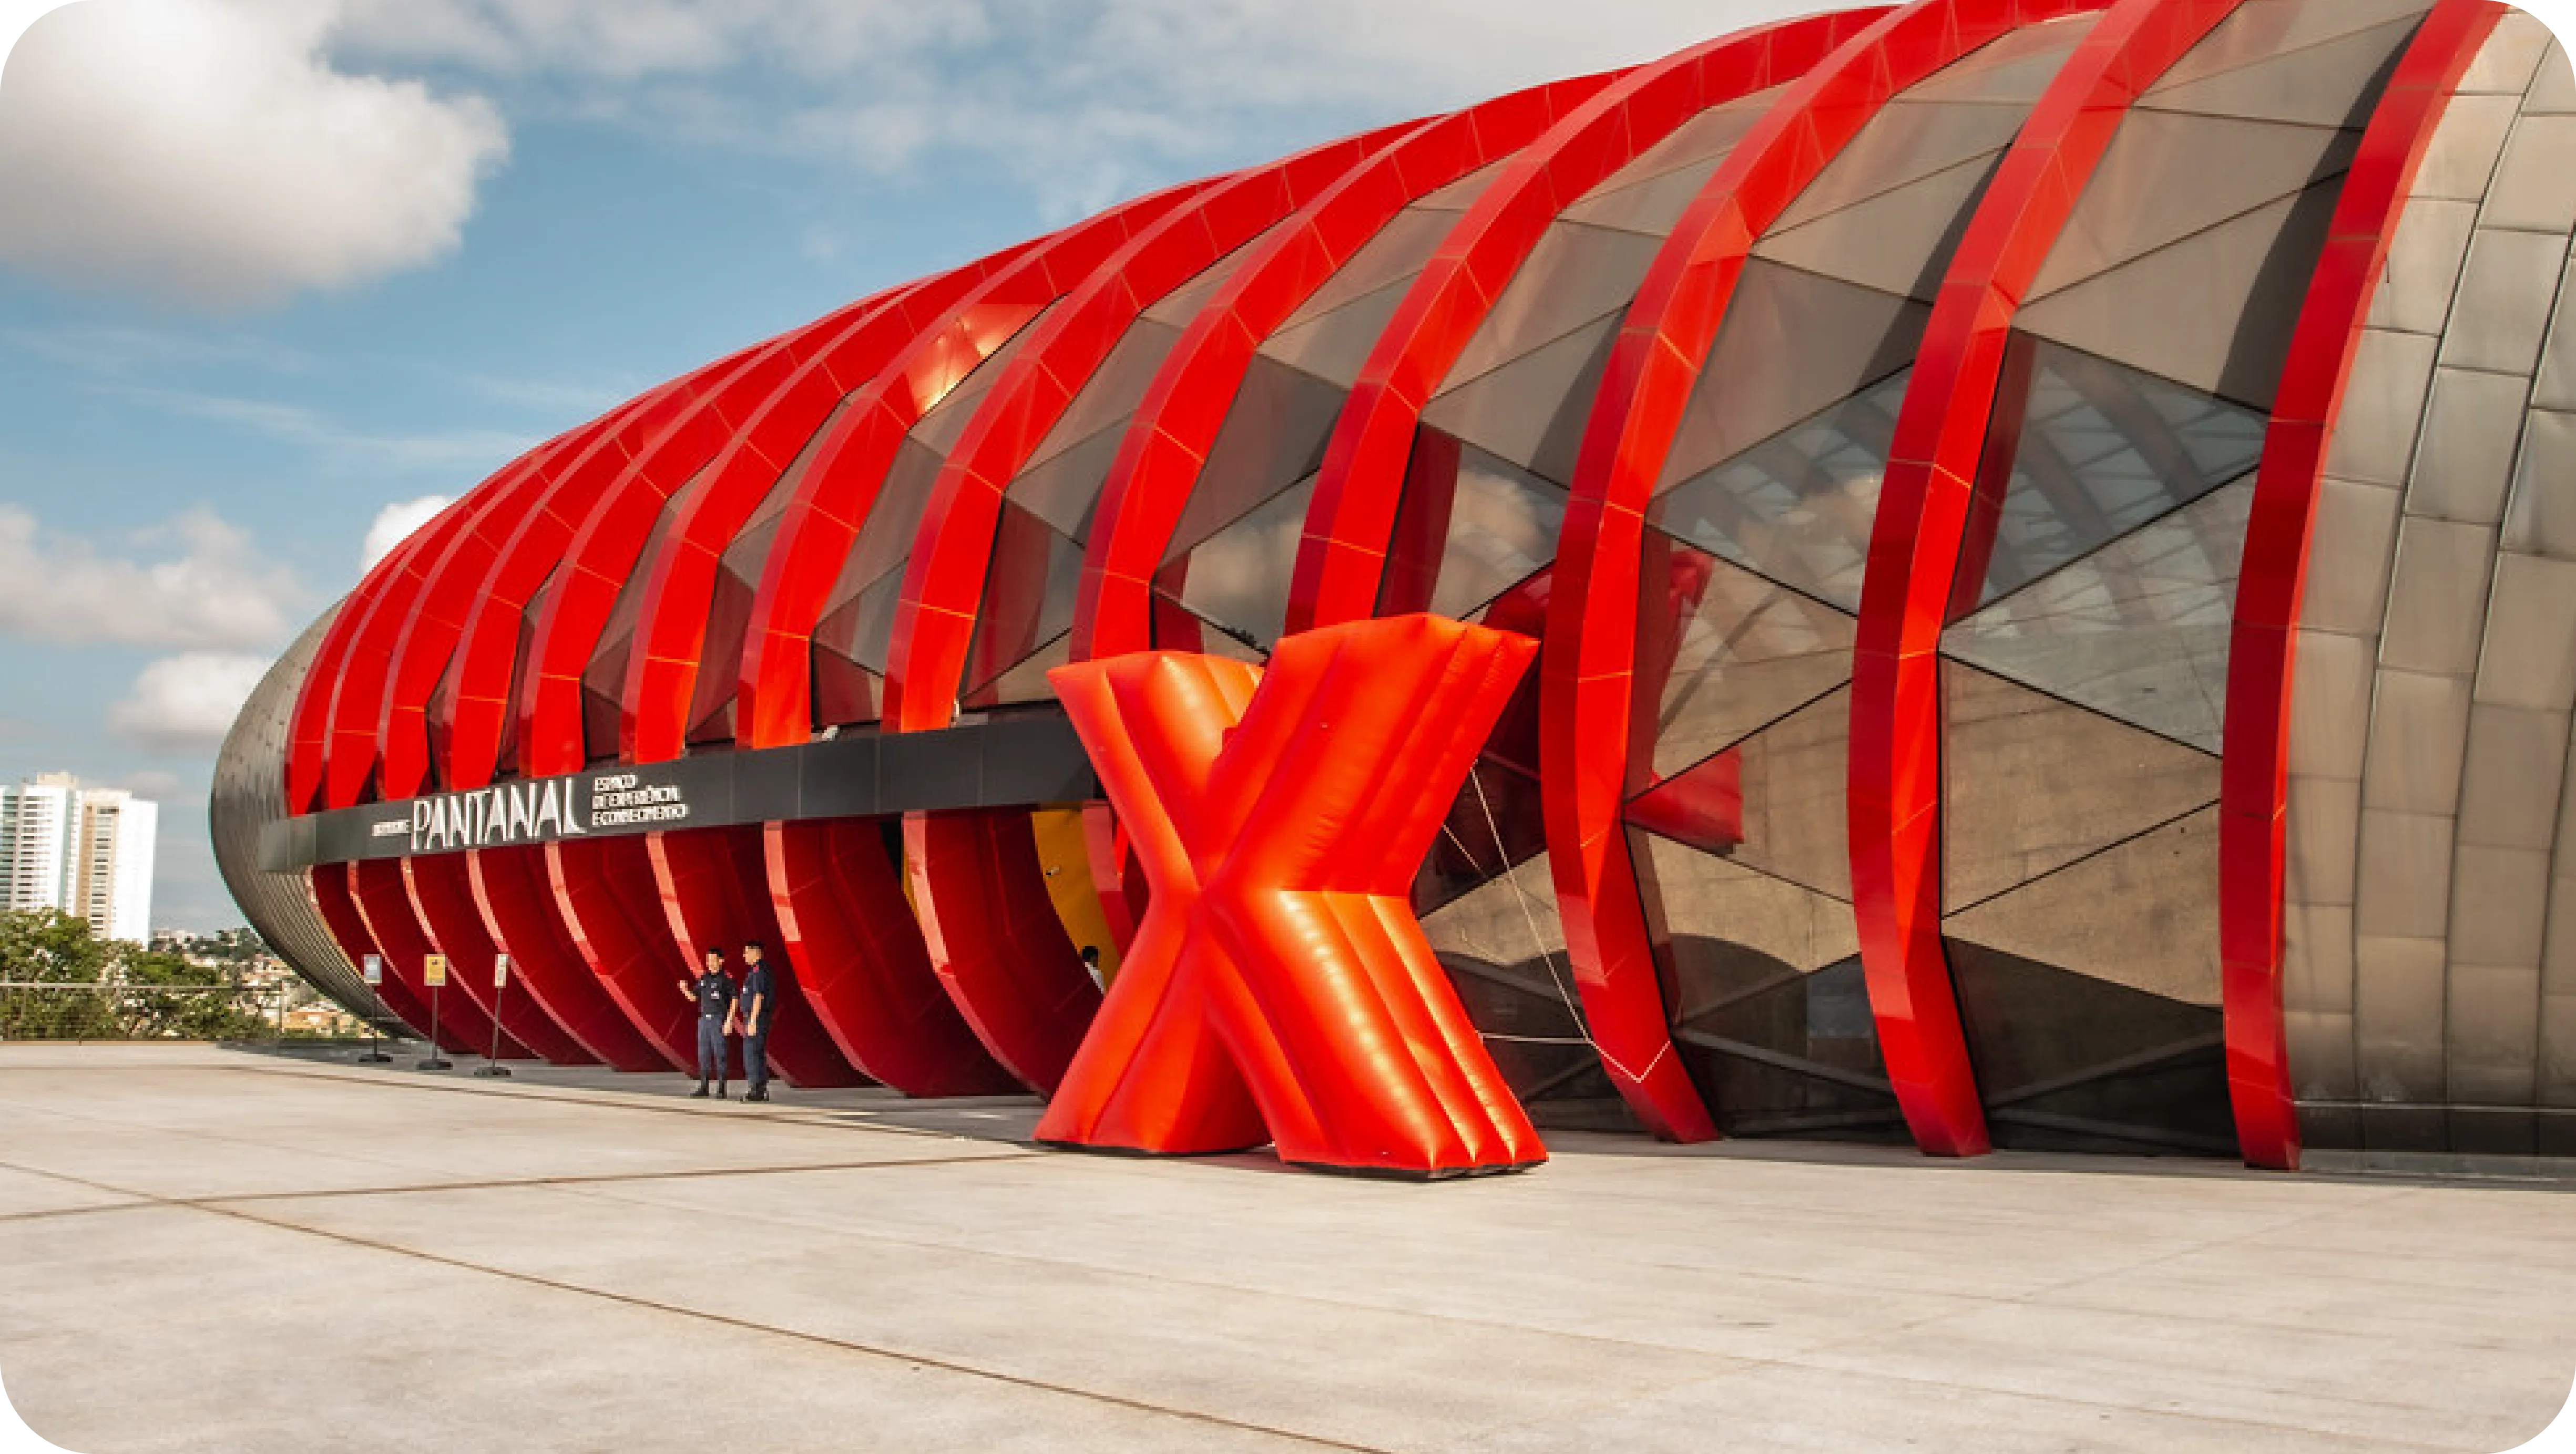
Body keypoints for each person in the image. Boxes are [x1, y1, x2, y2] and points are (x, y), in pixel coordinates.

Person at [676, 946, 735, 1098]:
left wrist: (730, 1020)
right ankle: (704, 1086)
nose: (710, 963)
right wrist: (684, 990)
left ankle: (722, 1088)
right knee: (703, 1054)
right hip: (704, 1020)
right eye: (708, 960)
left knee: (720, 1053)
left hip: (718, 1018)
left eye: (713, 960)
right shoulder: (704, 978)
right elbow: (693, 997)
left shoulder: (727, 979)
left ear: (721, 961)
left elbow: (735, 1000)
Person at [733, 941, 776, 1103]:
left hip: (756, 1018)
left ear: (755, 953)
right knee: (756, 1053)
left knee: (751, 1053)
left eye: (746, 952)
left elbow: (759, 996)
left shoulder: (759, 971)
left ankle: (755, 1089)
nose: (744, 956)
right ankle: (760, 1088)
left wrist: (752, 1021)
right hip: (757, 1017)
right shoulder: (757, 970)